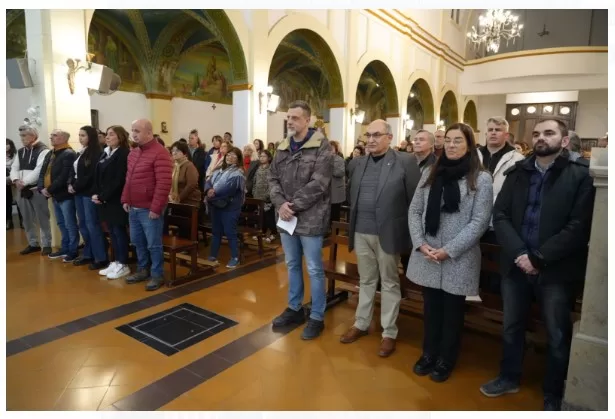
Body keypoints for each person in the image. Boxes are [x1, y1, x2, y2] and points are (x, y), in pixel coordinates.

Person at [480, 119, 594, 411]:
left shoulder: (579, 175)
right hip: (516, 264)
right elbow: (501, 214)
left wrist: (538, 258)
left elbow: (579, 225)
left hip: (555, 269)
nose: (541, 137)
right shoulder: (518, 172)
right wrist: (520, 253)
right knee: (511, 326)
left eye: (549, 132)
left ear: (565, 140)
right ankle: (509, 377)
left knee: (557, 333)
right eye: (536, 133)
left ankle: (554, 392)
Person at [407, 123, 493, 382]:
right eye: (448, 140)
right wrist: (421, 243)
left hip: (459, 257)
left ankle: (446, 359)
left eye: (458, 140)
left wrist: (449, 250)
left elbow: (479, 222)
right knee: (431, 309)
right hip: (428, 254)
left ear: (469, 144)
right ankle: (428, 353)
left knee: (453, 314)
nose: (452, 145)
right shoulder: (430, 173)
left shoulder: (481, 178)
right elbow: (414, 211)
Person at [340, 119, 421, 357]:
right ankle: (361, 323)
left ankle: (389, 332)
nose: (371, 140)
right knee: (366, 280)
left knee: (389, 281)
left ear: (389, 137)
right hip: (361, 231)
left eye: (377, 135)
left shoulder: (405, 162)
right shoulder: (357, 163)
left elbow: (414, 201)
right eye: (368, 135)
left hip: (388, 232)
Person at [269, 100, 333, 340]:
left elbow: (319, 183)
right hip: (286, 218)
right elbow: (273, 178)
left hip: (311, 218)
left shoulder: (322, 146)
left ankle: (317, 316)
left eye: (295, 117)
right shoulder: (283, 147)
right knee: (292, 265)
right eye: (288, 117)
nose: (290, 121)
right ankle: (295, 308)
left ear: (307, 120)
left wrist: (291, 206)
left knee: (315, 269)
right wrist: (280, 205)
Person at [121, 119, 173, 291]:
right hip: (134, 206)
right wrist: (125, 199)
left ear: (149, 132)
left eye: (137, 130)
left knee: (153, 243)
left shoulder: (160, 152)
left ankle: (157, 274)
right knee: (137, 241)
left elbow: (164, 183)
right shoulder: (133, 153)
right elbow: (128, 179)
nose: (133, 134)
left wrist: (156, 207)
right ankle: (143, 269)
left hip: (149, 208)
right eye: (132, 130)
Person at [93, 125, 131, 280]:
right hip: (105, 199)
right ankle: (115, 261)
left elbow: (119, 180)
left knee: (119, 231)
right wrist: (96, 194)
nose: (107, 137)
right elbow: (98, 175)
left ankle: (123, 263)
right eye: (106, 135)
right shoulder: (106, 153)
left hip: (116, 199)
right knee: (112, 232)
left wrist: (103, 196)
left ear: (120, 137)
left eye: (111, 134)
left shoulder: (123, 154)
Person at [68, 125, 108, 269]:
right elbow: (74, 171)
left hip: (88, 193)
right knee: (83, 225)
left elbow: (90, 175)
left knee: (92, 225)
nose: (80, 138)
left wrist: (75, 186)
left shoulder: (96, 152)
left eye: (83, 135)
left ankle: (100, 257)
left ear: (90, 137)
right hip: (79, 192)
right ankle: (88, 254)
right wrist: (70, 183)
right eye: (79, 135)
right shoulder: (81, 152)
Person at [10, 125, 52, 255]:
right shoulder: (21, 151)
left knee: (42, 218)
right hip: (21, 189)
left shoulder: (44, 150)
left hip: (35, 189)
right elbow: (14, 168)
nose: (22, 138)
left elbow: (39, 170)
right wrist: (16, 180)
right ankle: (33, 243)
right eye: (21, 136)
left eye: (24, 135)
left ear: (33, 136)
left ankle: (47, 244)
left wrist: (24, 182)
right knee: (26, 219)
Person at [38, 129, 79, 262]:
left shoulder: (69, 153)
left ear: (63, 138)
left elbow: (64, 176)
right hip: (54, 194)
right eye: (51, 135)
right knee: (61, 223)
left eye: (55, 135)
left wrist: (49, 189)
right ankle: (65, 248)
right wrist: (41, 187)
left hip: (65, 195)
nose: (51, 137)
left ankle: (73, 250)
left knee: (70, 223)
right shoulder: (51, 153)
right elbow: (43, 171)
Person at [204, 146, 245, 268]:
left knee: (230, 232)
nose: (230, 157)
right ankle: (213, 255)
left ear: (238, 160)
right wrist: (208, 190)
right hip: (216, 205)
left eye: (234, 156)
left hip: (230, 208)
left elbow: (229, 190)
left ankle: (235, 257)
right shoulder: (218, 171)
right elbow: (207, 181)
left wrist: (213, 193)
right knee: (216, 232)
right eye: (228, 155)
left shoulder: (238, 174)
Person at [250, 150, 276, 243]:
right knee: (261, 216)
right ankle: (262, 233)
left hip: (267, 198)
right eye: (260, 156)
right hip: (257, 195)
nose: (261, 158)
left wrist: (267, 195)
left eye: (264, 156)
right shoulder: (258, 168)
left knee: (269, 216)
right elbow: (255, 181)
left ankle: (271, 234)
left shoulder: (271, 169)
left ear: (269, 158)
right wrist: (254, 192)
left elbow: (272, 183)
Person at [169, 141, 201, 207]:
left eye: (177, 150)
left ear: (184, 153)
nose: (174, 153)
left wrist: (179, 198)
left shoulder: (189, 166)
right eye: (173, 150)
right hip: (175, 200)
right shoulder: (174, 166)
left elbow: (191, 185)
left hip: (189, 201)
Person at [6, 138, 23, 230]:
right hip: (4, 183)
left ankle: (22, 220)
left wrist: (12, 178)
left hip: (15, 180)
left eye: (7, 144)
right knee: (6, 201)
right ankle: (8, 221)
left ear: (11, 145)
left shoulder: (16, 155)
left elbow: (17, 169)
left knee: (19, 201)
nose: (5, 146)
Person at [329, 140, 346, 223]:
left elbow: (340, 173)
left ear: (336, 149)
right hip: (327, 191)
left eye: (331, 148)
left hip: (336, 192)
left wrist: (329, 166)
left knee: (335, 213)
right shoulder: (324, 159)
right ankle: (328, 230)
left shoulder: (339, 160)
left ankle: (335, 232)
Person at [187, 129, 206, 193]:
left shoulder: (201, 151)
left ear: (197, 140)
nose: (190, 140)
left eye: (192, 138)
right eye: (189, 138)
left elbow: (199, 165)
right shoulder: (185, 149)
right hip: (186, 177)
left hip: (197, 177)